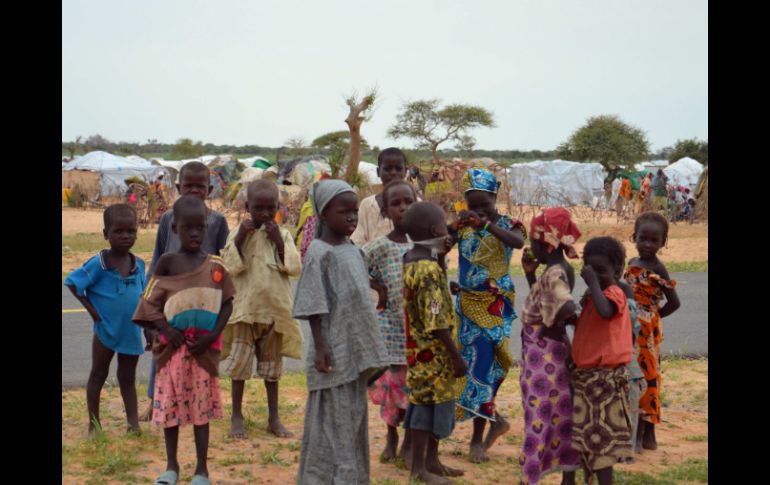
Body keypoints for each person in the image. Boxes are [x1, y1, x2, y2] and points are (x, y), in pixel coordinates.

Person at [292, 179, 390, 484]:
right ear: (323, 214)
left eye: (354, 211)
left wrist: (378, 289)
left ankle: (353, 477)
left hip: (355, 353)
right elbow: (311, 304)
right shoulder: (319, 253)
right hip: (333, 352)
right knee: (332, 422)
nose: (351, 217)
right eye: (343, 211)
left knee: (352, 418)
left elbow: (361, 284)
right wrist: (320, 348)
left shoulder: (351, 249)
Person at [133, 195, 235, 485]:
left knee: (201, 412)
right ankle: (171, 466)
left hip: (203, 352)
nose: (194, 233)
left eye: (200, 227)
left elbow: (228, 302)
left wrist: (212, 335)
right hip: (171, 352)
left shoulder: (215, 266)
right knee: (170, 411)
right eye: (187, 227)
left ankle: (201, 469)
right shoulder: (167, 263)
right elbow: (149, 303)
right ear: (174, 228)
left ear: (207, 227)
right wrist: (166, 331)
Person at [140, 161, 230, 422]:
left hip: (203, 299)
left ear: (210, 189)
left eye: (199, 186)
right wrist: (149, 298)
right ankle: (156, 401)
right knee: (163, 350)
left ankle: (199, 404)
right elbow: (157, 260)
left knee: (200, 353)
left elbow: (225, 259)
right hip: (170, 299)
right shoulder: (169, 219)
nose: (194, 190)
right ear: (178, 187)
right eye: (187, 185)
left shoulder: (217, 221)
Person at [448, 169, 526, 463]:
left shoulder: (509, 224)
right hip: (466, 306)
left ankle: (477, 441)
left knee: (485, 369)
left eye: (485, 204)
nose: (479, 211)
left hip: (495, 308)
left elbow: (518, 243)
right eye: (474, 205)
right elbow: (440, 242)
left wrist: (488, 224)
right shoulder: (463, 226)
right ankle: (494, 421)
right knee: (467, 370)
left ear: (496, 198)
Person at [219, 180, 304, 439]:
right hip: (246, 311)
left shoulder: (285, 234)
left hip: (273, 313)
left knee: (271, 370)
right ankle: (236, 416)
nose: (265, 214)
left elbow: (294, 267)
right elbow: (229, 265)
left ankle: (274, 418)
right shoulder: (237, 234)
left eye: (270, 208)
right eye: (259, 208)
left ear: (278, 207)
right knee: (240, 368)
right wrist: (243, 236)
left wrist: (278, 240)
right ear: (247, 207)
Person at [64, 204, 146, 436]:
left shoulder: (138, 264)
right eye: (118, 231)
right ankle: (94, 425)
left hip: (131, 331)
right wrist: (93, 313)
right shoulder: (99, 263)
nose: (125, 236)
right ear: (106, 234)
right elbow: (73, 283)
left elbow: (143, 297)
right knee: (98, 375)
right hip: (106, 331)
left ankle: (133, 424)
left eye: (130, 231)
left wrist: (149, 329)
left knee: (127, 378)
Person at [402, 201, 468, 485]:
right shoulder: (426, 269)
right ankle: (419, 468)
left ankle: (431, 461)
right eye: (443, 225)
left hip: (419, 350)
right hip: (434, 353)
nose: (447, 229)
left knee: (425, 403)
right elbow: (437, 319)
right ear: (433, 229)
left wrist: (442, 256)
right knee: (426, 409)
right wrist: (456, 357)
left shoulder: (413, 259)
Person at [518, 208, 582, 485]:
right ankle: (567, 474)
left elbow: (565, 304)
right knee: (560, 413)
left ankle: (529, 476)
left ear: (545, 242)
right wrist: (531, 276)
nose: (529, 247)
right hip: (548, 353)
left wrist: (550, 325)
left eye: (533, 241)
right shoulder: (555, 270)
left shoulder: (556, 272)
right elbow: (549, 301)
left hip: (543, 357)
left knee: (539, 415)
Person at [361, 180, 418, 463]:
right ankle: (391, 435)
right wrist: (378, 287)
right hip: (393, 325)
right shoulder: (378, 247)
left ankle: (409, 439)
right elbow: (356, 267)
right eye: (395, 203)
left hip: (419, 328)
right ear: (385, 210)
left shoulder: (424, 244)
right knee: (394, 383)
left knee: (415, 385)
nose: (403, 208)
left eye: (408, 202)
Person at [571, 237, 634, 484]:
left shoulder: (615, 293)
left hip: (603, 380)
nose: (595, 276)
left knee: (601, 441)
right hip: (587, 377)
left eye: (602, 271)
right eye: (591, 270)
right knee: (588, 438)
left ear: (618, 271)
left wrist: (594, 285)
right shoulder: (594, 295)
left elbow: (606, 312)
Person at [624, 212, 681, 451]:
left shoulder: (659, 268)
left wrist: (652, 318)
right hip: (628, 327)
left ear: (663, 242)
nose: (647, 244)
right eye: (642, 238)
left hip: (647, 333)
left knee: (649, 378)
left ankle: (647, 434)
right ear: (634, 237)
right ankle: (638, 430)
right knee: (631, 376)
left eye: (653, 240)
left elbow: (674, 302)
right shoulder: (632, 264)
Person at [351, 148, 409, 246]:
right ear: (378, 172)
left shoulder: (416, 204)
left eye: (398, 169)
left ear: (406, 171)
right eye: (387, 169)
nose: (393, 173)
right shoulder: (367, 205)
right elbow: (358, 240)